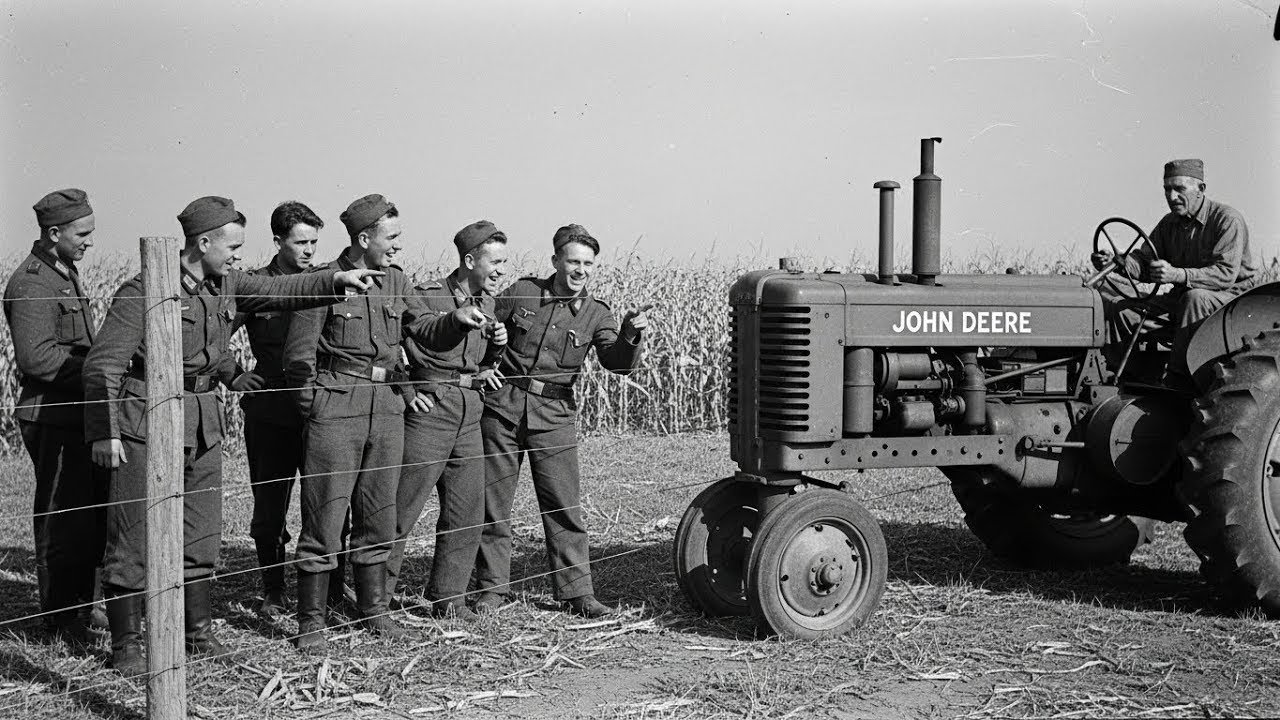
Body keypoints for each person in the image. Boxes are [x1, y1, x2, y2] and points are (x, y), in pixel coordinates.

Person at [83, 196, 382, 676]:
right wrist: (105, 432)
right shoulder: (144, 290)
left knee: (201, 530)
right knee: (133, 533)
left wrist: (334, 280)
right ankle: (128, 645)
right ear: (203, 243)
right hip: (144, 421)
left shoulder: (224, 284)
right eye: (233, 247)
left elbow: (278, 293)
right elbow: (104, 365)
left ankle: (196, 631)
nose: (239, 257)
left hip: (201, 421)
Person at [282, 194, 491, 653]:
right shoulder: (323, 282)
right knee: (325, 517)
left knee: (379, 515)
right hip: (337, 408)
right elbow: (298, 361)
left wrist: (456, 321)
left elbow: (425, 331)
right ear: (363, 238)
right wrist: (317, 410)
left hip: (388, 408)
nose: (398, 246)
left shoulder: (397, 281)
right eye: (391, 237)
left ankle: (373, 611)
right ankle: (311, 625)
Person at [472, 223, 649, 618]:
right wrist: (483, 367)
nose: (581, 269)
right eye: (573, 261)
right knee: (493, 503)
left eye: (588, 263)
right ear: (556, 261)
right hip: (501, 410)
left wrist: (630, 335)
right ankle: (491, 590)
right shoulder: (523, 291)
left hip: (553, 417)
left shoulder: (597, 313)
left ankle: (576, 593)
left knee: (562, 505)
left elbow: (616, 362)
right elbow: (484, 330)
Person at [386, 220, 509, 621]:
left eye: (504, 263)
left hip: (469, 413)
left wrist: (495, 355)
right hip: (430, 412)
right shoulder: (428, 297)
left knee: (466, 510)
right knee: (402, 509)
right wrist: (407, 393)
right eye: (495, 262)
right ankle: (376, 599)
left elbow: (479, 364)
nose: (501, 271)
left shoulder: (488, 304)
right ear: (470, 260)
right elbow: (396, 347)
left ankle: (448, 598)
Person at [2, 189, 107, 647]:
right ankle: (61, 618)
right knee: (61, 518)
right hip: (51, 417)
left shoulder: (63, 273)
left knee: (85, 514)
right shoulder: (31, 283)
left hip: (75, 414)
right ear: (54, 232)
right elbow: (38, 359)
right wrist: (103, 374)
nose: (88, 242)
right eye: (82, 234)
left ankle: (82, 606)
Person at [237, 201, 351, 617]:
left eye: (314, 242)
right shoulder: (254, 285)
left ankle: (333, 592)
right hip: (270, 414)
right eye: (300, 242)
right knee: (270, 510)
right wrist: (231, 372)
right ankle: (273, 591)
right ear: (277, 241)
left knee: (330, 504)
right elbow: (213, 330)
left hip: (319, 413)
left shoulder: (325, 282)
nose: (308, 250)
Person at [1092, 158, 1259, 382]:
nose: (1172, 197)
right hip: (1183, 298)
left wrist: (1177, 275)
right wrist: (1120, 262)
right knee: (1121, 311)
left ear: (1201, 189)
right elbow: (1143, 262)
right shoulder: (1169, 224)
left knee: (1195, 298)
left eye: (1179, 189)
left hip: (1232, 303)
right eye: (1167, 189)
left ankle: (1179, 380)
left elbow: (1225, 274)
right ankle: (1129, 381)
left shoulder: (1227, 220)